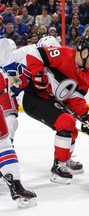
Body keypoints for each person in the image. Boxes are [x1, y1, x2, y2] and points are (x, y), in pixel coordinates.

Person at [22, 37, 89, 185]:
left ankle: (65, 158)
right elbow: (35, 54)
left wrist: (87, 116)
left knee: (72, 129)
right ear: (84, 52)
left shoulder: (87, 76)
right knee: (67, 121)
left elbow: (75, 99)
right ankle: (59, 165)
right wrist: (38, 74)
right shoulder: (63, 54)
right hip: (35, 98)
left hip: (52, 100)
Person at [0, 51, 37, 209]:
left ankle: (15, 184)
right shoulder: (10, 68)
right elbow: (17, 85)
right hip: (5, 111)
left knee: (5, 143)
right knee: (5, 144)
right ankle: (15, 185)